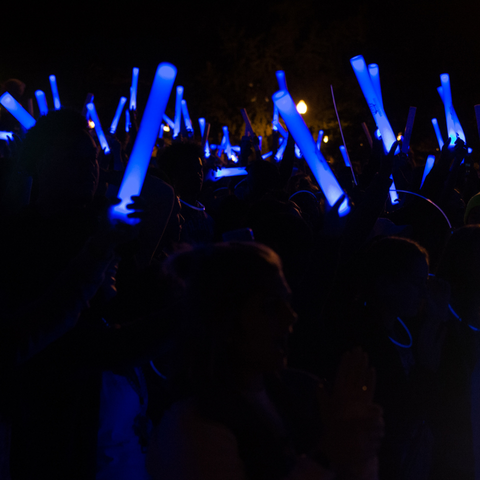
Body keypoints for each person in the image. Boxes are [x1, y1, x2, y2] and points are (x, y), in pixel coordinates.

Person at [146, 242, 384, 480]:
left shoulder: (300, 393)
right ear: (224, 320)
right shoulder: (191, 427)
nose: (291, 316)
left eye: (287, 301)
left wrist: (357, 448)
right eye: (270, 307)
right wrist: (328, 455)